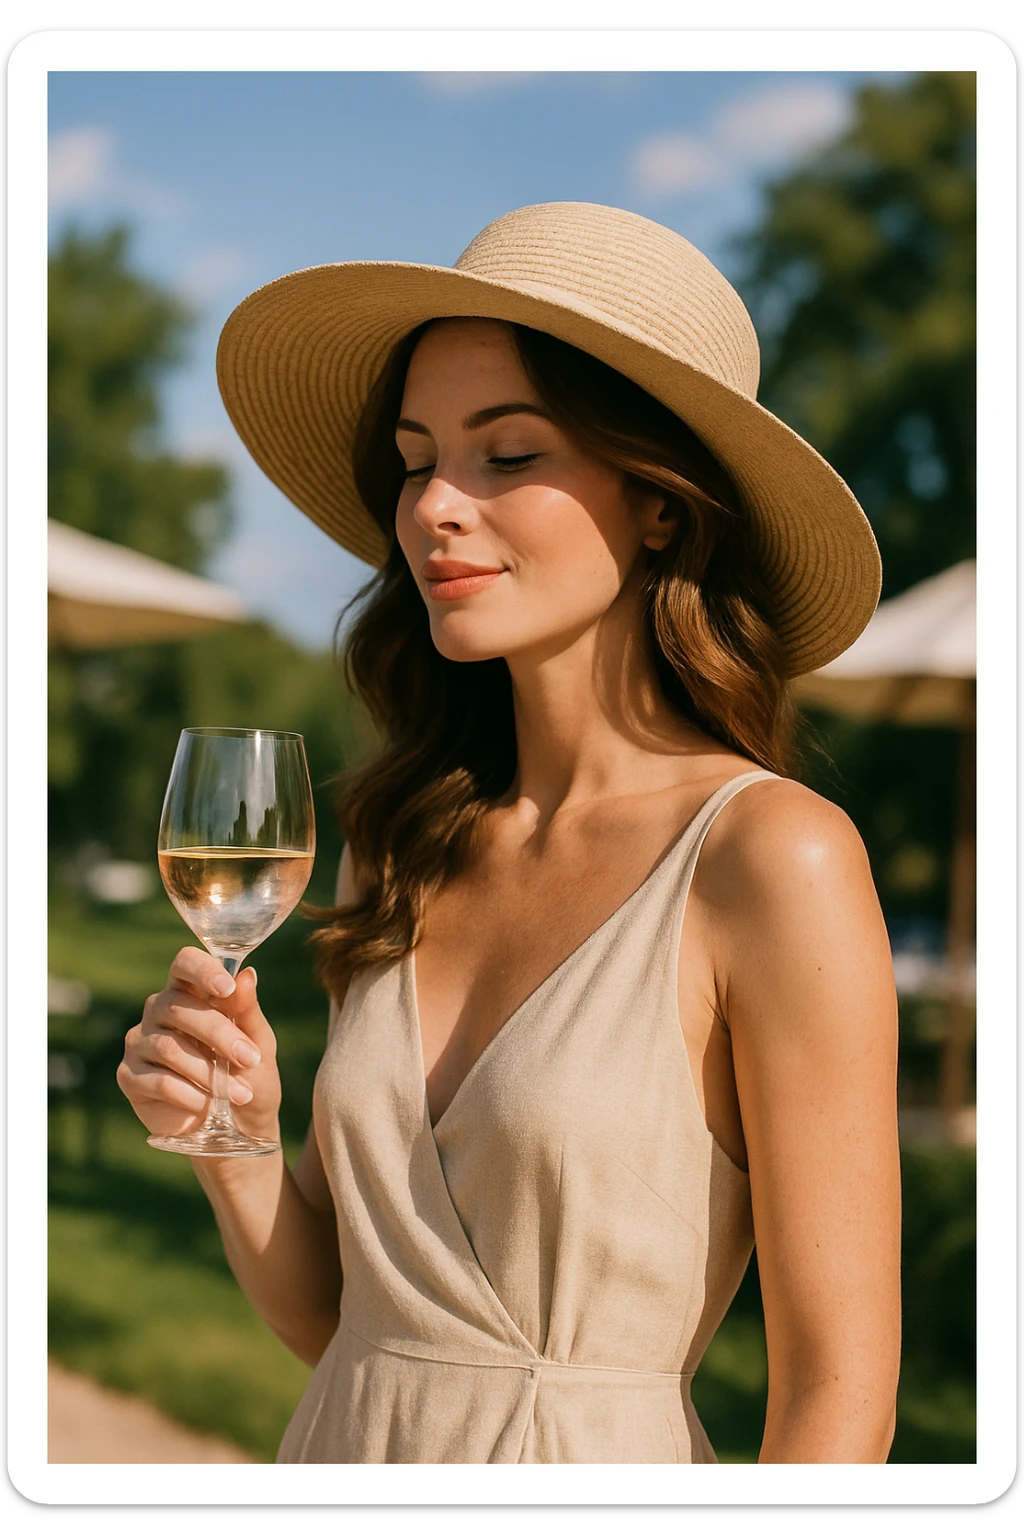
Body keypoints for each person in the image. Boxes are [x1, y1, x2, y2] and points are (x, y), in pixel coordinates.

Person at [117, 203, 901, 1465]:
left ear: (658, 504)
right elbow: (347, 1323)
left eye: (509, 455)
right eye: (419, 458)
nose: (434, 506)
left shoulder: (769, 859)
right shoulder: (405, 840)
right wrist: (236, 1136)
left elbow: (838, 1404)